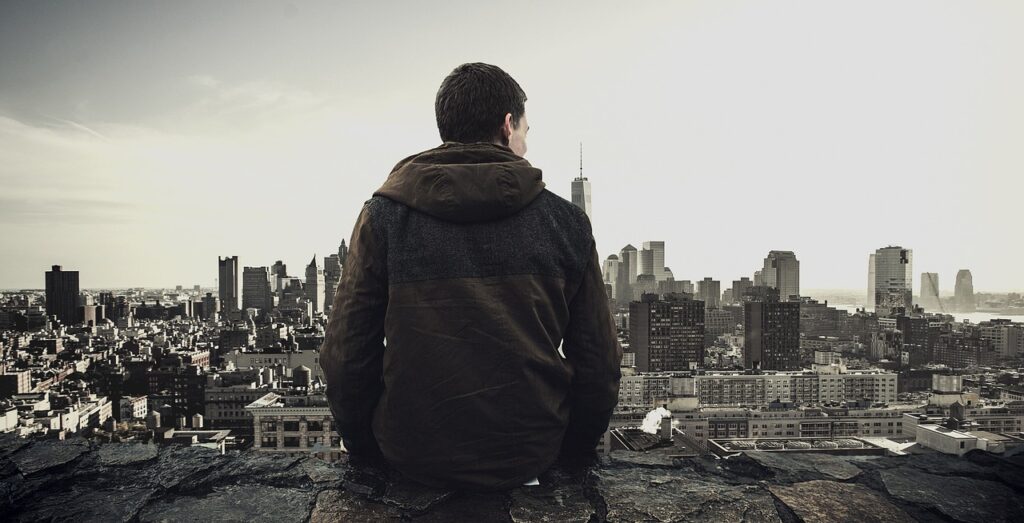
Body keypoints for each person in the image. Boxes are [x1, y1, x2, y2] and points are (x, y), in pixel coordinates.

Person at [320, 62, 622, 491]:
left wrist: (368, 449)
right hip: (529, 456)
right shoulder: (566, 223)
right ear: (506, 126)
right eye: (525, 130)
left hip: (410, 454)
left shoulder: (383, 216)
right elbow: (600, 364)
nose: (524, 141)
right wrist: (570, 453)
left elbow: (345, 356)